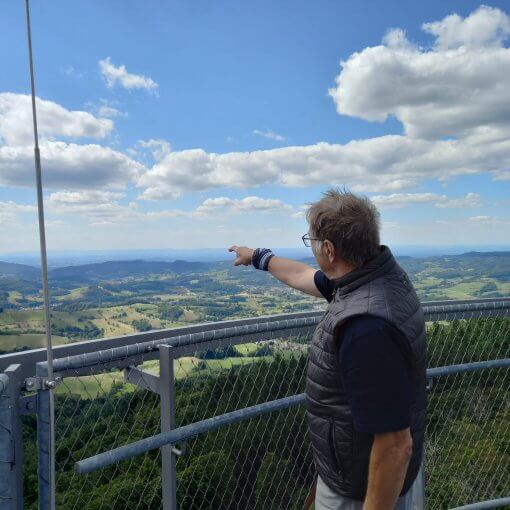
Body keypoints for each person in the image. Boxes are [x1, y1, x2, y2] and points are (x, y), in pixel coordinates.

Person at [228, 188, 426, 510]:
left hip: (360, 492)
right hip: (361, 476)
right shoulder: (373, 281)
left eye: (312, 241)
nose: (312, 248)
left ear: (329, 249)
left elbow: (395, 446)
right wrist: (258, 257)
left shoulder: (366, 327)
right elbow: (302, 275)